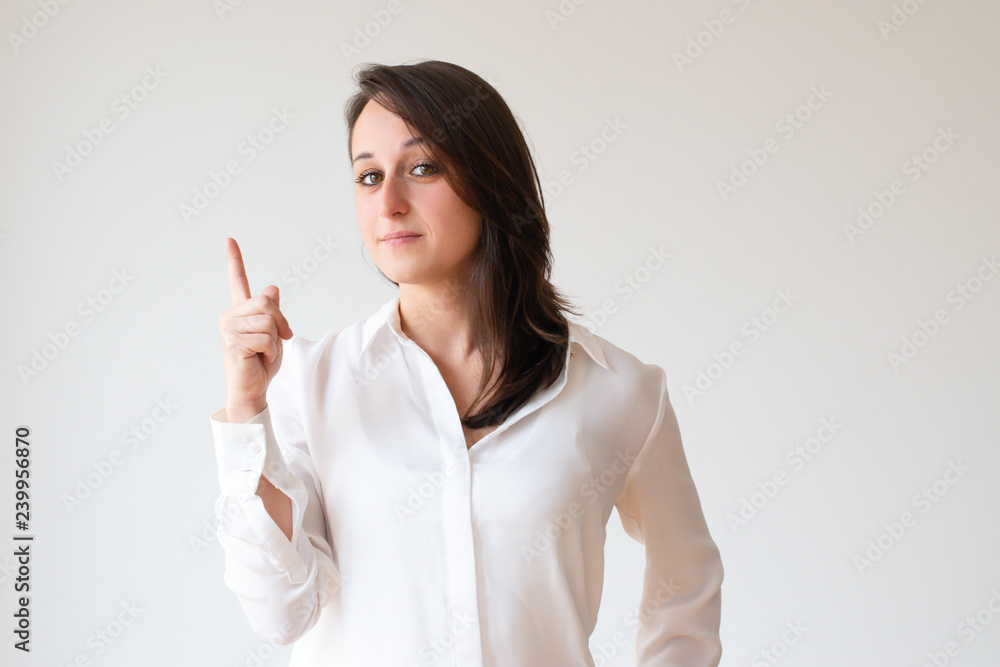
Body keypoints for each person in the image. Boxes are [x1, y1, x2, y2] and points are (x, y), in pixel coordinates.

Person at [210, 59, 724, 666]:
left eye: (422, 168)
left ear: (490, 178)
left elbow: (687, 583)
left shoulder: (619, 390)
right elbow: (280, 614)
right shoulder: (310, 381)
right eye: (369, 177)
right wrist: (246, 411)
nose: (389, 203)